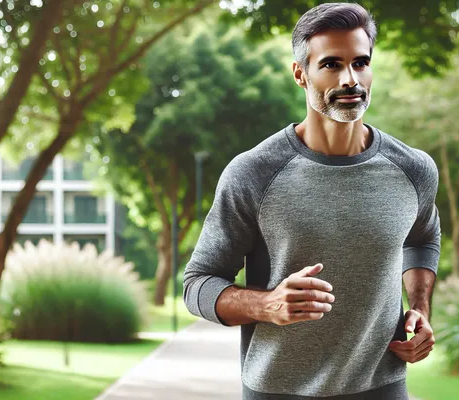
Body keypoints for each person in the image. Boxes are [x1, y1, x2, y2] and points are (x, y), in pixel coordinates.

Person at [183, 3, 440, 399]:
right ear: (300, 74)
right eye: (332, 65)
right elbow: (197, 285)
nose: (350, 79)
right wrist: (266, 305)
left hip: (382, 387)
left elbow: (422, 239)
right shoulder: (254, 172)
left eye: (360, 63)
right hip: (278, 390)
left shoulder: (413, 169)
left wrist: (419, 308)